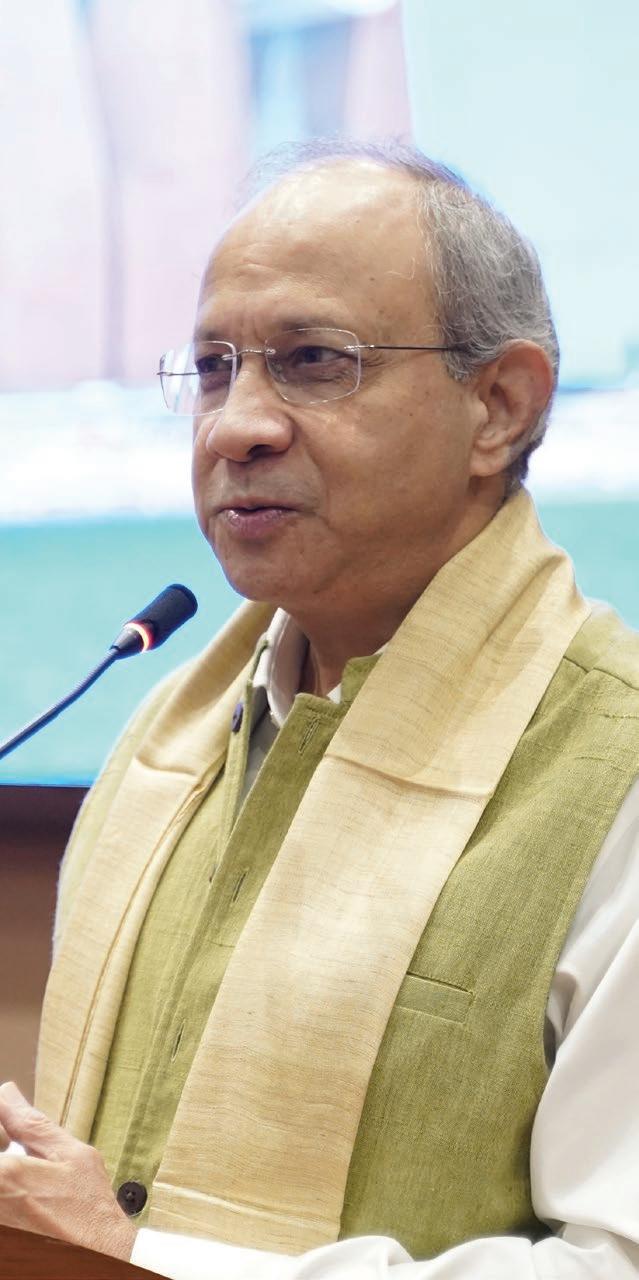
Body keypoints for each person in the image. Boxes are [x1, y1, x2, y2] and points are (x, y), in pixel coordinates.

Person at [1, 141, 638, 1280]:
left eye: (312, 361)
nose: (233, 427)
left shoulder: (613, 767)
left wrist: (151, 1261)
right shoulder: (168, 741)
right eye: (213, 368)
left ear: (499, 406)